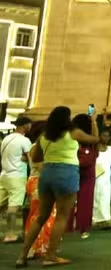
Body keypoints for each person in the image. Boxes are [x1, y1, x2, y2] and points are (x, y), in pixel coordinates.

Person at [16, 106, 99, 268]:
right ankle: (51, 255)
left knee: (41, 216)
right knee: (61, 217)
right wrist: (93, 121)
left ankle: (22, 256)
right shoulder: (73, 133)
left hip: (47, 174)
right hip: (67, 173)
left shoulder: (44, 136)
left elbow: (35, 157)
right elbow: (95, 140)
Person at [22, 122, 55, 261]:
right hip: (39, 182)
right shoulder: (37, 147)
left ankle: (38, 246)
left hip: (36, 181)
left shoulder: (35, 146)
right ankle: (35, 247)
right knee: (40, 215)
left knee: (39, 214)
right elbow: (41, 166)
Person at [0, 116, 32, 244]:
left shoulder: (6, 139)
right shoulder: (25, 140)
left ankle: (9, 233)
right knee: (14, 207)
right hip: (17, 176)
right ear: (25, 126)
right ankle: (10, 234)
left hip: (4, 175)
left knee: (2, 204)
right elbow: (30, 158)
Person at [69, 114, 98, 237]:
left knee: (68, 198)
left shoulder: (71, 135)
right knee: (86, 199)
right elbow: (96, 139)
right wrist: (94, 122)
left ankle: (67, 226)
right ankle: (83, 227)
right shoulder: (89, 139)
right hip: (88, 170)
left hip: (72, 167)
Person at [92, 129, 111, 230]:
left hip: (106, 178)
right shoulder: (94, 149)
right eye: (104, 135)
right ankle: (95, 220)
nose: (106, 138)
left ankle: (105, 219)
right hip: (95, 177)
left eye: (108, 136)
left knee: (105, 199)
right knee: (96, 198)